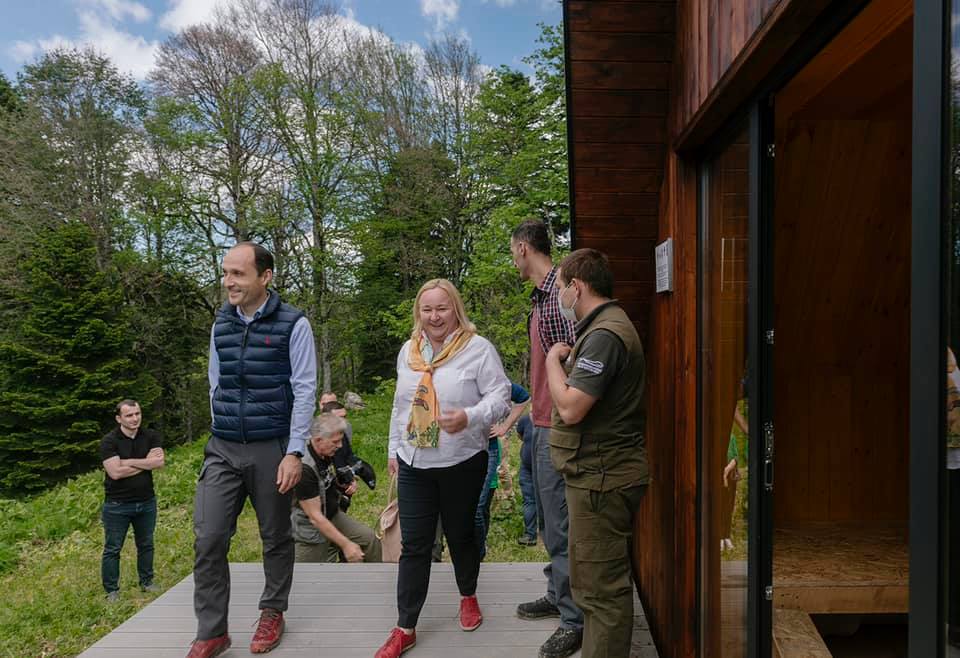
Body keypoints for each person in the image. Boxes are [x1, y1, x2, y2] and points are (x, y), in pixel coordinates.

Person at [187, 242, 316, 658]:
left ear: (265, 276)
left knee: (275, 536)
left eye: (238, 274)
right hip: (223, 447)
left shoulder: (294, 324)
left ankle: (272, 610)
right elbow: (215, 382)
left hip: (272, 448)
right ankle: (212, 631)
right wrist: (222, 425)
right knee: (209, 537)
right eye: (226, 273)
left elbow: (305, 389)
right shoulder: (220, 323)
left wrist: (294, 452)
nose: (228, 282)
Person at [374, 278, 511, 658]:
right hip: (414, 461)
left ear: (456, 310)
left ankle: (468, 595)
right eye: (427, 309)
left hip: (461, 461)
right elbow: (400, 405)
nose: (434, 317)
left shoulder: (478, 349)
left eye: (442, 308)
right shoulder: (409, 351)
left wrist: (471, 416)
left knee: (460, 534)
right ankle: (405, 627)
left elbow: (501, 398)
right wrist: (393, 449)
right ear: (418, 312)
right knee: (414, 545)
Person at [545, 248, 649, 658]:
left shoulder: (605, 335)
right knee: (592, 585)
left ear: (577, 286)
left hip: (603, 479)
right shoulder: (603, 328)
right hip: (598, 476)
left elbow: (572, 408)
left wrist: (552, 361)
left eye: (561, 288)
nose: (560, 297)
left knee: (601, 592)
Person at [510, 219, 583, 658]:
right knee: (546, 520)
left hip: (556, 424)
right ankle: (557, 595)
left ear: (523, 248)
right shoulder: (542, 296)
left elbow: (574, 359)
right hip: (538, 421)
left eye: (512, 252)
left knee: (559, 525)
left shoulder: (558, 295)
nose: (513, 260)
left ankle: (573, 620)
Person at [290, 413, 382, 563]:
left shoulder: (325, 451)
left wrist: (340, 485)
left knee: (369, 540)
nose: (340, 446)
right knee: (309, 572)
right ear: (318, 440)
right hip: (310, 527)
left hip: (332, 514)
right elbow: (315, 517)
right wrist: (346, 544)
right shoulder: (305, 468)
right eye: (336, 442)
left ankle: (371, 577)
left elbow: (324, 479)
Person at [99, 399, 165, 602]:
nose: (135, 418)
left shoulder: (150, 436)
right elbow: (115, 473)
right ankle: (111, 591)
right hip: (117, 505)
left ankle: (147, 582)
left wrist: (128, 462)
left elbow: (159, 463)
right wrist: (146, 463)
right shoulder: (109, 441)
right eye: (129, 415)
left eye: (137, 414)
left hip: (146, 501)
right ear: (119, 418)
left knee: (146, 544)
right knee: (113, 548)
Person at [475, 382, 530, 560]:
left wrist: (504, 427)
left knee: (478, 506)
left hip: (487, 450)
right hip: (458, 450)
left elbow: (523, 397)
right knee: (468, 506)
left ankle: (476, 555)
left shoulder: (492, 380)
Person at [515, 414, 540, 546]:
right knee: (529, 500)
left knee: (548, 501)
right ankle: (530, 535)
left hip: (545, 467)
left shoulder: (551, 417)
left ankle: (550, 535)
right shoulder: (525, 420)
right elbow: (520, 435)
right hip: (527, 467)